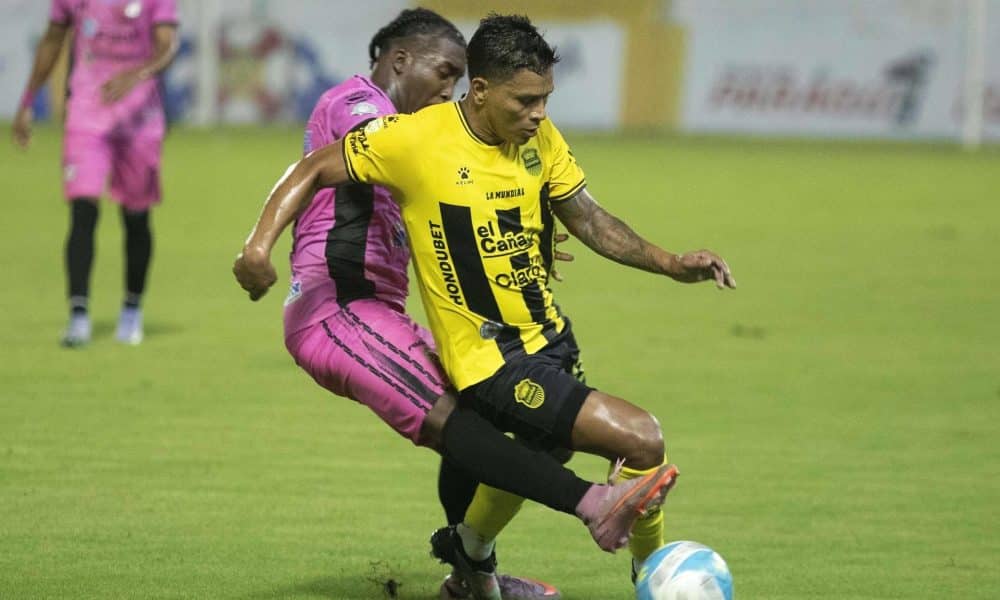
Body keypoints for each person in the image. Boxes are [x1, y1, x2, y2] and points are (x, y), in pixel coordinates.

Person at [234, 12, 734, 598]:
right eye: (525, 100)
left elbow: (590, 218)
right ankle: (626, 547)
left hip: (546, 336)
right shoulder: (412, 135)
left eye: (545, 99)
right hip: (479, 351)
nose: (539, 113)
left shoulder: (537, 139)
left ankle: (470, 561)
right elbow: (321, 165)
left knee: (507, 448)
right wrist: (258, 245)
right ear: (484, 89)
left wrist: (671, 264)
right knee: (641, 438)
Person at [13, 0, 179, 347]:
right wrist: (28, 100)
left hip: (139, 120)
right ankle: (78, 316)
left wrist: (139, 73)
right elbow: (53, 39)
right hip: (86, 115)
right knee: (82, 209)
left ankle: (131, 311)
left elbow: (166, 45)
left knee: (135, 217)